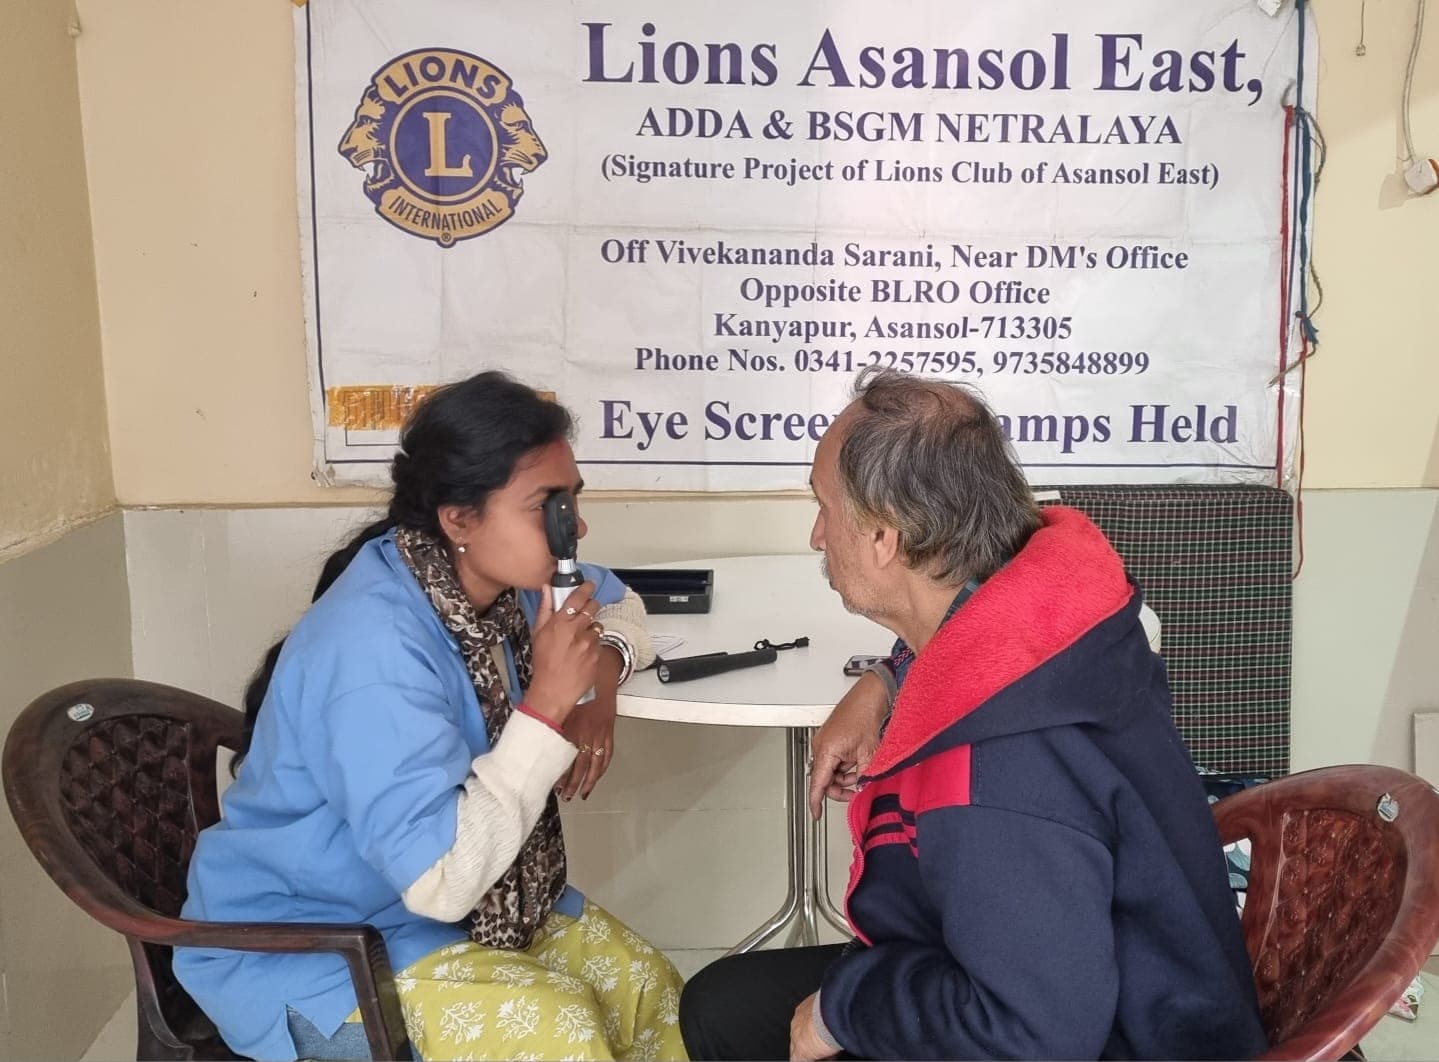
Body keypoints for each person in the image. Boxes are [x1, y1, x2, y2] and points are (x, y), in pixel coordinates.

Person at [679, 368, 1267, 1061]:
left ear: (883, 537)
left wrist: (842, 1010)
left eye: (823, 508)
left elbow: (1034, 1033)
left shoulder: (997, 766)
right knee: (721, 1004)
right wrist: (885, 681)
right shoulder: (1059, 614)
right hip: (1136, 982)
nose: (815, 536)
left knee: (747, 1023)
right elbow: (970, 638)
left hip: (1114, 1037)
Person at [174, 371, 687, 1062]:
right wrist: (545, 709)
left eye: (574, 501)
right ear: (458, 518)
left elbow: (620, 601)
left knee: (644, 988)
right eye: (549, 505)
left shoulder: (493, 588)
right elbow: (440, 882)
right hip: (319, 945)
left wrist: (600, 677)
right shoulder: (372, 650)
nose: (577, 527)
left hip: (451, 916)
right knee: (555, 1031)